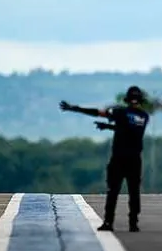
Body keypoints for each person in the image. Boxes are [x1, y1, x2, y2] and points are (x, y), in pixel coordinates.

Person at [59, 85, 150, 232]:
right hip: (134, 160)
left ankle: (109, 222)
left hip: (119, 158)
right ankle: (133, 223)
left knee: (113, 191)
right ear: (140, 100)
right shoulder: (144, 117)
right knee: (134, 192)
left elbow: (98, 112)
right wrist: (110, 127)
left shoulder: (120, 112)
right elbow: (131, 130)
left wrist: (75, 108)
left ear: (127, 100)